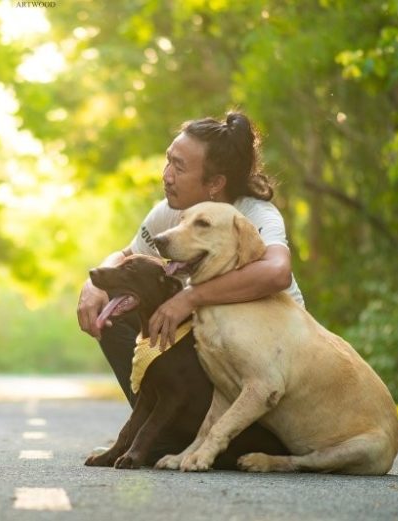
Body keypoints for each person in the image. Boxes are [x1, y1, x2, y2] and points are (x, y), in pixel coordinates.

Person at [77, 112, 304, 405]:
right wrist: (95, 283)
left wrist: (189, 299)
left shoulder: (254, 214)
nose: (167, 175)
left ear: (215, 183)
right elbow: (127, 258)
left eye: (179, 167)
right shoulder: (171, 212)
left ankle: (171, 434)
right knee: (115, 306)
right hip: (212, 338)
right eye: (168, 160)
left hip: (271, 355)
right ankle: (147, 427)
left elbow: (277, 272)